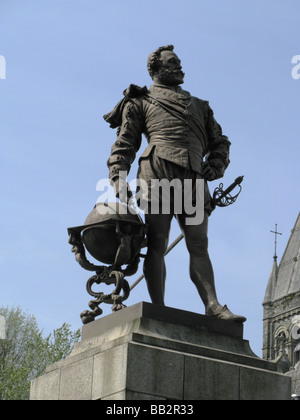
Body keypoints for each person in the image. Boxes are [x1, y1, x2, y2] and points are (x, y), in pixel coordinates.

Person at [104, 45, 246, 322]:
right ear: (155, 69)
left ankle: (213, 305)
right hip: (158, 172)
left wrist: (215, 165)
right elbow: (125, 143)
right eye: (172, 63)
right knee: (157, 241)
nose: (179, 67)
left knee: (199, 243)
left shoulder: (201, 106)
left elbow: (220, 142)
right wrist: (118, 176)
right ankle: (159, 306)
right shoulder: (140, 100)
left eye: (180, 62)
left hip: (194, 177)